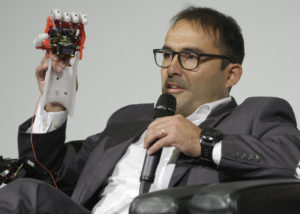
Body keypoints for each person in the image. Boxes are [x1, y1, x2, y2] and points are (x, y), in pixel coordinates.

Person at [1, 6, 300, 214]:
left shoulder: (257, 114)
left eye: (190, 57)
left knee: (27, 196)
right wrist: (55, 100)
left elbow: (290, 161)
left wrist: (201, 141)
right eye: (168, 54)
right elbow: (49, 174)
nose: (171, 68)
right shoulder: (130, 118)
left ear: (231, 74)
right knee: (28, 191)